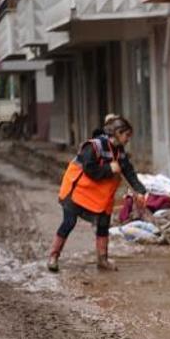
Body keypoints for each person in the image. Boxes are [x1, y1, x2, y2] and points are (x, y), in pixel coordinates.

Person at [48, 115, 146, 272]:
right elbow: (89, 169)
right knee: (69, 222)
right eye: (127, 135)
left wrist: (140, 191)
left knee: (103, 224)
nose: (128, 139)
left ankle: (102, 260)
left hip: (99, 196)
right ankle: (53, 256)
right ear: (118, 133)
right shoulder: (94, 146)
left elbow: (129, 172)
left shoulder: (120, 152)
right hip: (77, 191)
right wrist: (109, 169)